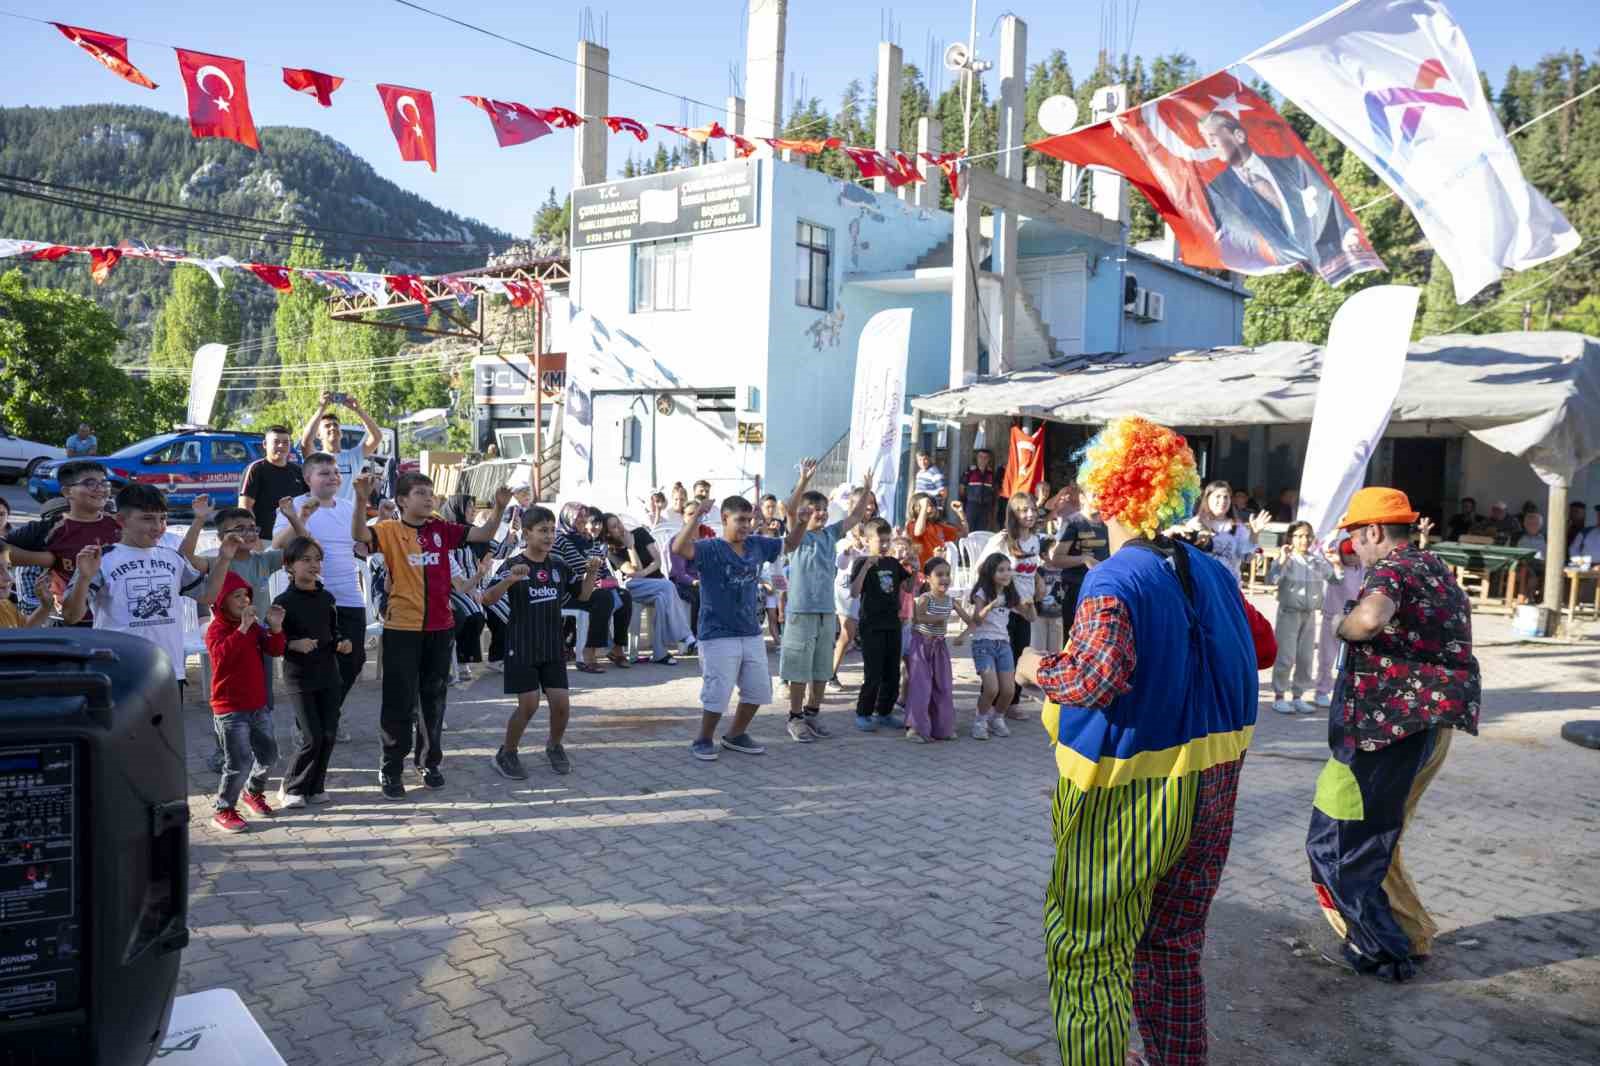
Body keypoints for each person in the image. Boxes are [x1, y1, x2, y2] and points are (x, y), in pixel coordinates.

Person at [1013, 416, 1257, 1066]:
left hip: (1131, 799)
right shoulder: (1212, 570)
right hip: (1214, 787)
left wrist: (1034, 667)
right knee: (1171, 945)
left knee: (1088, 950)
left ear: (1105, 492)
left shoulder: (1115, 580)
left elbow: (1094, 676)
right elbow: (1257, 646)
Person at [1309, 487, 1480, 983]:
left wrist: (1342, 625)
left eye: (1354, 539)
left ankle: (1383, 949)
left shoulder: (1393, 568)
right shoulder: (1434, 567)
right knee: (1381, 841)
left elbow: (1369, 619)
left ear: (1375, 531)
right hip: (1428, 726)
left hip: (1386, 733)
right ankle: (1409, 932)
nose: (1353, 549)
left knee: (1340, 845)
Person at [349, 472, 508, 799]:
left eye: (431, 493)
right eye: (420, 493)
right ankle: (391, 766)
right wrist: (361, 499)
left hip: (440, 627)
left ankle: (428, 762)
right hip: (401, 629)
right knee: (398, 702)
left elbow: (484, 533)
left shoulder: (441, 529)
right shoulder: (389, 530)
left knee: (433, 700)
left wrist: (500, 507)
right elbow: (359, 535)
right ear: (402, 500)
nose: (428, 498)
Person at [64, 484, 237, 695]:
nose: (158, 526)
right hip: (119, 670)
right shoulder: (101, 559)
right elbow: (71, 616)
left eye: (162, 518)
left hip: (169, 669)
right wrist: (83, 578)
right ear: (121, 520)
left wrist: (224, 559)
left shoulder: (172, 558)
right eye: (147, 519)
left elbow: (207, 596)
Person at [483, 506, 600, 779]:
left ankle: (554, 746)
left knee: (561, 704)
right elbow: (487, 598)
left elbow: (583, 595)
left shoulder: (558, 564)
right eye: (542, 531)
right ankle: (506, 753)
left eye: (552, 531)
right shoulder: (513, 564)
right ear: (527, 534)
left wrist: (592, 573)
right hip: (522, 645)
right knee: (529, 705)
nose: (549, 536)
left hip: (552, 645)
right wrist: (510, 580)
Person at [1196, 110, 1374, 283]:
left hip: (1332, 255)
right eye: (1205, 139)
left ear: (1239, 136)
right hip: (1286, 270)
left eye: (1212, 135)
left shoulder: (1294, 166)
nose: (1209, 143)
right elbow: (1225, 238)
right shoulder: (1218, 191)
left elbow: (1325, 199)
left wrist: (1348, 232)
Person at [672, 493, 784, 761]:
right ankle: (703, 739)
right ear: (724, 518)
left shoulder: (757, 545)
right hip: (717, 634)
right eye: (740, 520)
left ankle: (735, 735)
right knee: (718, 693)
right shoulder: (709, 548)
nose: (746, 525)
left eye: (749, 519)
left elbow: (789, 543)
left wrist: (799, 520)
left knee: (758, 690)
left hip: (751, 632)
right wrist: (698, 515)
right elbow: (679, 548)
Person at [777, 462, 872, 741]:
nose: (820, 513)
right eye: (814, 509)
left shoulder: (830, 534)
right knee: (798, 669)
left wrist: (867, 489)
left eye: (823, 509)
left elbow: (856, 517)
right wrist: (804, 480)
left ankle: (812, 714)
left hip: (826, 612)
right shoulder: (797, 536)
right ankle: (795, 718)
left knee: (821, 669)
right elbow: (789, 509)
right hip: (800, 613)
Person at [272, 453, 367, 702]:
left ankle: (329, 713)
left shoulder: (348, 507)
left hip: (349, 595)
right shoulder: (293, 506)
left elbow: (362, 546)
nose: (333, 477)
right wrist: (300, 517)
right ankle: (315, 719)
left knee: (354, 658)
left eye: (336, 472)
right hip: (310, 596)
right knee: (317, 660)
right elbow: (278, 544)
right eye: (324, 473)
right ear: (308, 478)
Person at [205, 569, 287, 833]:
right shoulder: (215, 630)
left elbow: (275, 649)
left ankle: (253, 792)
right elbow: (223, 658)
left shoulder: (253, 627)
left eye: (246, 595)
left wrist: (275, 628)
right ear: (221, 601)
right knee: (238, 763)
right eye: (237, 596)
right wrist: (242, 628)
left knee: (269, 756)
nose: (244, 601)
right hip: (230, 710)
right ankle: (223, 809)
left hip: (257, 705)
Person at [271, 537, 350, 808]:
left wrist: (342, 641)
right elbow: (274, 640)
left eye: (317, 559)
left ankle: (315, 786)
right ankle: (291, 787)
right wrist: (294, 644)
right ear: (289, 565)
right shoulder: (283, 601)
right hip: (300, 677)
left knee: (328, 734)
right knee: (311, 736)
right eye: (305, 559)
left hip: (329, 673)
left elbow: (334, 630)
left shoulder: (327, 597)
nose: (313, 564)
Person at [1, 460, 122, 622]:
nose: (100, 489)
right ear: (67, 491)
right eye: (90, 483)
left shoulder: (120, 524)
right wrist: (45, 559)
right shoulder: (50, 528)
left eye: (104, 483)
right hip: (72, 622)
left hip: (118, 620)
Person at [601, 512, 691, 665]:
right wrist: (631, 547)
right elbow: (633, 570)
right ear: (608, 533)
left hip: (657, 584)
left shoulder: (641, 533)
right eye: (614, 527)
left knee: (662, 596)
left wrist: (642, 573)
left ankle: (660, 653)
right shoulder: (612, 552)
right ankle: (684, 635)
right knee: (666, 586)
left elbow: (657, 561)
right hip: (635, 588)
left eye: (619, 523)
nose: (620, 528)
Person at [849, 517, 910, 733]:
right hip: (871, 625)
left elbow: (908, 587)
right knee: (873, 673)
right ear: (867, 540)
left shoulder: (892, 563)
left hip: (893, 623)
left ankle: (885, 712)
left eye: (887, 541)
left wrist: (914, 568)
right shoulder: (860, 562)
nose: (884, 545)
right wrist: (866, 567)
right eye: (880, 541)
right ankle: (863, 713)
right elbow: (854, 592)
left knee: (892, 673)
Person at [1269, 520, 1330, 715]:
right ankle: (1279, 696)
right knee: (1286, 655)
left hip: (1309, 614)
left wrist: (1334, 562)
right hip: (1289, 613)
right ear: (1291, 538)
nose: (1304, 540)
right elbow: (1272, 579)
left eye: (1308, 536)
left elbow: (1336, 578)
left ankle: (1297, 696)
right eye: (1299, 536)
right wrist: (1281, 561)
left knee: (1305, 657)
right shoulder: (1288, 559)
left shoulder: (1316, 561)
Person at [966, 553, 1030, 739]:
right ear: (990, 572)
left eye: (1008, 569)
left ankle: (997, 718)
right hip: (983, 643)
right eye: (1001, 570)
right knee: (991, 689)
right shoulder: (982, 592)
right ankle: (980, 721)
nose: (1006, 573)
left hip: (1003, 644)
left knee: (1009, 690)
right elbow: (977, 619)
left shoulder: (1010, 594)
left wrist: (1031, 604)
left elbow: (1030, 617)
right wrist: (991, 605)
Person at [903, 557, 966, 743]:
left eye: (947, 574)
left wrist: (963, 635)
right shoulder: (925, 598)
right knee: (922, 687)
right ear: (928, 578)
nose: (944, 578)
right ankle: (915, 729)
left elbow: (972, 621)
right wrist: (937, 619)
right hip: (921, 645)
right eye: (939, 574)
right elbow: (917, 618)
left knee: (943, 686)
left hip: (939, 647)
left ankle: (942, 728)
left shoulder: (951, 601)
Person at [828, 486, 879, 690]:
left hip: (870, 587)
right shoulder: (845, 531)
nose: (870, 507)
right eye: (866, 503)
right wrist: (849, 550)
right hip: (847, 589)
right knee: (847, 634)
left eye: (872, 503)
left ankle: (872, 677)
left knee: (870, 634)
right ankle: (830, 674)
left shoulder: (877, 527)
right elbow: (840, 564)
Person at [298, 392, 385, 507]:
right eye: (327, 426)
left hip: (349, 515)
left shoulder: (353, 456)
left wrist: (358, 409)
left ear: (341, 433)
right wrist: (321, 408)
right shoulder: (316, 458)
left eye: (336, 425)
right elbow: (306, 442)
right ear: (318, 434)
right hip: (322, 513)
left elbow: (377, 437)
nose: (332, 427)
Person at [1178, 480, 1270, 584]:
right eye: (1218, 496)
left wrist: (1255, 533)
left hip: (1229, 585)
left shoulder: (1237, 528)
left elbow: (1248, 558)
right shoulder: (1195, 523)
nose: (1222, 501)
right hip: (1202, 584)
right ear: (1207, 498)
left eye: (1226, 497)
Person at [1314, 537, 1364, 709]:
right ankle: (1322, 691)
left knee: (1352, 659)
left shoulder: (1363, 567)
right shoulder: (1333, 566)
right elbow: (1325, 549)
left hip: (1354, 618)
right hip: (1332, 616)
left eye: (1355, 553)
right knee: (1327, 658)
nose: (1352, 557)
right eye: (1348, 554)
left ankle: (1348, 692)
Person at [239, 425, 308, 540]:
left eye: (285, 442)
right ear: (265, 444)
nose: (281, 446)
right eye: (276, 442)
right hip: (266, 539)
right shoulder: (256, 469)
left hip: (294, 539)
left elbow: (308, 502)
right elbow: (245, 508)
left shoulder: (298, 471)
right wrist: (253, 538)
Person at [906, 492, 968, 567]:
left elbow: (964, 534)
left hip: (937, 568)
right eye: (927, 505)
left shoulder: (939, 526)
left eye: (933, 505)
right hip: (920, 570)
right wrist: (924, 508)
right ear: (915, 508)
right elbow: (918, 532)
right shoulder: (912, 524)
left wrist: (961, 514)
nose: (931, 508)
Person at [1034, 537, 1066, 656]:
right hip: (1039, 616)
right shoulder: (1038, 572)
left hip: (1058, 615)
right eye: (1055, 551)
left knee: (1056, 651)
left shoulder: (1064, 571)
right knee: (1038, 650)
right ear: (1044, 555)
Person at [0, 561, 54, 629]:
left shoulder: (5, 605)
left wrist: (45, 606)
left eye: (8, 568)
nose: (9, 578)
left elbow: (24, 627)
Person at [1512, 510, 1547, 602]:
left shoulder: (1546, 538)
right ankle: (1529, 597)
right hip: (1521, 564)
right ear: (1524, 524)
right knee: (1530, 574)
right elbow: (1510, 552)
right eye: (1529, 523)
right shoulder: (1516, 537)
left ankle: (1539, 598)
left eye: (1535, 524)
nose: (1532, 526)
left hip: (1541, 565)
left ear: (1540, 525)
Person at [960, 448, 998, 531]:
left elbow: (994, 491)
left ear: (988, 460)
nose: (983, 460)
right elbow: (962, 488)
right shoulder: (970, 471)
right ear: (976, 458)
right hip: (971, 505)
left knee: (981, 530)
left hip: (985, 507)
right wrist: (964, 503)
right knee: (969, 529)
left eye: (985, 457)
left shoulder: (991, 474)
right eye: (980, 457)